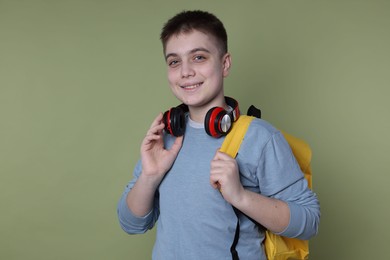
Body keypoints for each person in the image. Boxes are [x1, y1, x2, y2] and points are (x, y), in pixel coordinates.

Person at [117, 10, 320, 260]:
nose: (185, 71)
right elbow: (131, 224)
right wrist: (149, 176)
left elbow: (309, 221)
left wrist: (240, 196)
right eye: (174, 61)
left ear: (224, 64)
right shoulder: (165, 138)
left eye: (199, 57)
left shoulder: (259, 138)